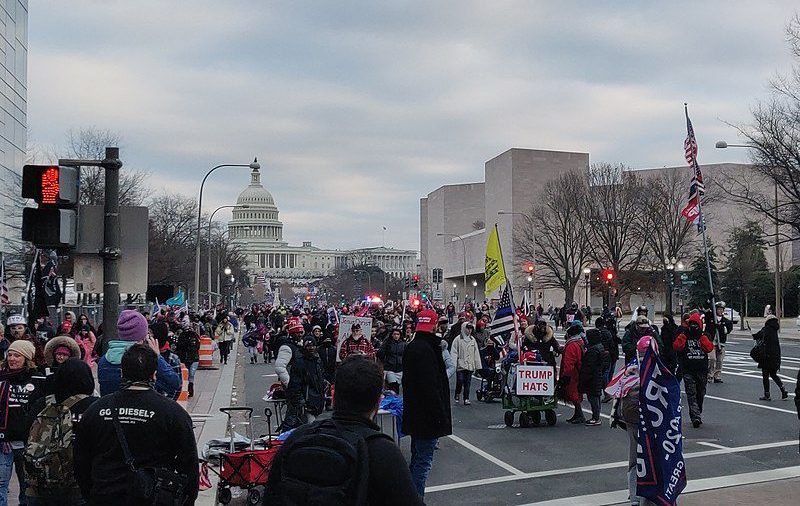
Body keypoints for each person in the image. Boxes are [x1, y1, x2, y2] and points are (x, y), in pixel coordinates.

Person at [265, 356, 423, 505]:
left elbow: (271, 496)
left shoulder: (298, 437)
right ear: (378, 402)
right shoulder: (383, 452)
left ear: (334, 398)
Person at [75, 344, 198, 504]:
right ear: (154, 375)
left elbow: (80, 460)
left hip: (105, 496)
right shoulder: (173, 413)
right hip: (152, 497)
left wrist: (91, 495)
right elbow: (189, 464)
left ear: (122, 373)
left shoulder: (96, 410)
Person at [24, 358, 98, 505]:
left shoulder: (43, 404)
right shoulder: (94, 406)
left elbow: (25, 433)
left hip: (40, 485)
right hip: (78, 485)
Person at [402, 309, 452, 498]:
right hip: (427, 417)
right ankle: (415, 499)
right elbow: (432, 388)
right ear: (434, 325)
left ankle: (409, 497)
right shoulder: (428, 350)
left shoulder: (412, 347)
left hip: (415, 413)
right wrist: (440, 416)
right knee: (423, 463)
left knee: (417, 460)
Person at [0, 340, 47, 506]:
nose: (12, 359)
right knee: (1, 485)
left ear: (26, 358)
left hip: (29, 444)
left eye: (17, 355)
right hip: (4, 443)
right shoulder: (1, 377)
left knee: (27, 488)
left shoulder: (38, 378)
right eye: (10, 355)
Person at [96, 310, 181, 398]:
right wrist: (157, 357)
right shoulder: (144, 359)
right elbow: (174, 383)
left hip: (112, 409)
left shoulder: (104, 361)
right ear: (143, 335)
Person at [673, 313, 714, 427]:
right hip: (688, 369)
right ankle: (695, 416)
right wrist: (683, 336)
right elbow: (676, 346)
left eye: (695, 324)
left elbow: (709, 348)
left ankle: (697, 411)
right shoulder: (684, 335)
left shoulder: (704, 335)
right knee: (691, 394)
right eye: (691, 324)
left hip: (701, 369)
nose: (693, 326)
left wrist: (702, 337)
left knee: (700, 393)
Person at [282, 336, 326, 430]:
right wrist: (301, 402)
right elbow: (294, 385)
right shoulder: (300, 362)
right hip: (306, 404)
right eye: (308, 346)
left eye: (313, 345)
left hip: (316, 403)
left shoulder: (317, 361)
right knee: (310, 429)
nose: (311, 348)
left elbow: (318, 380)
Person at [753, 314, 788, 401]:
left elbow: (756, 336)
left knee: (765, 376)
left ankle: (767, 394)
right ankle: (783, 389)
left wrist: (752, 332)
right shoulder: (775, 330)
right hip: (775, 356)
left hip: (766, 356)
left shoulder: (766, 329)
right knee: (773, 374)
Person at [579, 329, 609, 426]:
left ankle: (595, 418)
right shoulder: (600, 347)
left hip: (593, 377)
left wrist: (583, 377)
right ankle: (596, 416)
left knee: (593, 397)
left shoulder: (592, 350)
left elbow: (589, 366)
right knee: (596, 396)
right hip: (597, 374)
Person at [450, 322, 481, 406]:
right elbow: (454, 352)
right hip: (461, 364)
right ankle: (457, 392)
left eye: (470, 329)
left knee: (467, 382)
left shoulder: (472, 340)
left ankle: (466, 398)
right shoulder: (457, 339)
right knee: (460, 380)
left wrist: (477, 365)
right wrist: (453, 365)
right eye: (468, 328)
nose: (469, 330)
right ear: (464, 328)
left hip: (470, 364)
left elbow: (476, 353)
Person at [560, 324, 585, 424]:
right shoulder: (580, 342)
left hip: (572, 373)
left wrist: (566, 375)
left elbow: (569, 361)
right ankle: (577, 414)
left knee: (572, 393)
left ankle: (580, 415)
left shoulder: (571, 344)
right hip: (578, 371)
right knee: (576, 393)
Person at [707, 301, 733, 384]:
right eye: (718, 309)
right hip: (711, 342)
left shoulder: (726, 321)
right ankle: (709, 375)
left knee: (719, 360)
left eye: (722, 309)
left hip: (721, 343)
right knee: (712, 359)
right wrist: (710, 303)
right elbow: (706, 312)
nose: (720, 311)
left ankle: (717, 376)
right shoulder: (710, 318)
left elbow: (727, 331)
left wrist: (720, 326)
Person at [377, 327, 405, 394]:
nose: (396, 336)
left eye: (398, 334)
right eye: (394, 334)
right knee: (393, 385)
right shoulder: (387, 343)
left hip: (400, 368)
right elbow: (380, 354)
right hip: (390, 368)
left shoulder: (404, 344)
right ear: (392, 335)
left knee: (399, 387)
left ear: (400, 335)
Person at [175, 327, 200, 398]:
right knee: (188, 374)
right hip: (186, 358)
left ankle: (190, 389)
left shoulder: (194, 337)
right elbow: (179, 347)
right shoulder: (182, 337)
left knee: (191, 374)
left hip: (192, 358)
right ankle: (188, 389)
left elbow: (197, 347)